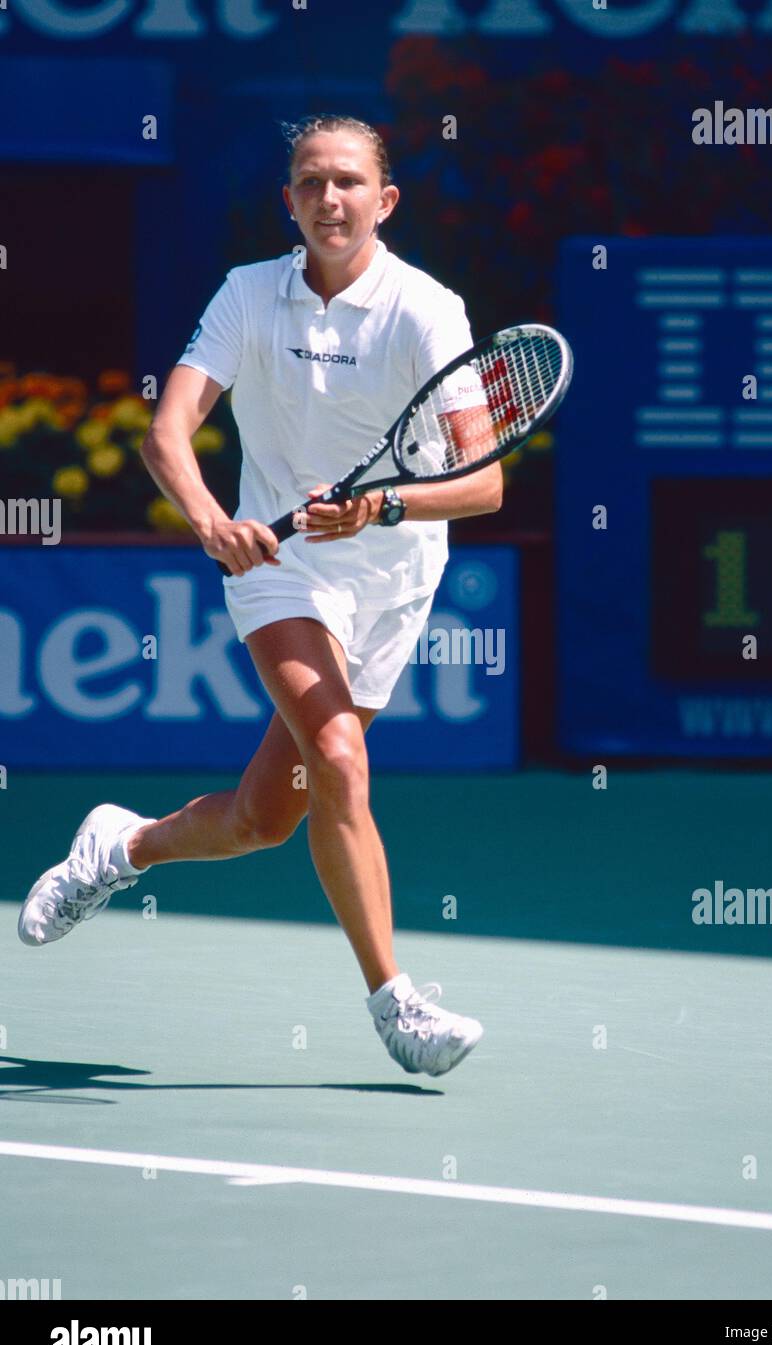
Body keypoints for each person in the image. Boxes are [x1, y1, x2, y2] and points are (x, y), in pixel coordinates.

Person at [18, 114, 503, 1077]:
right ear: (289, 200)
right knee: (339, 756)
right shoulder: (248, 295)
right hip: (279, 570)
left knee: (263, 818)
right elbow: (169, 434)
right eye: (312, 183)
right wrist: (210, 521)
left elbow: (486, 481)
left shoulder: (429, 311)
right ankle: (394, 1001)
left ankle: (122, 848)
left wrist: (378, 507)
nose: (331, 199)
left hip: (395, 575)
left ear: (385, 200)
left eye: (351, 183)